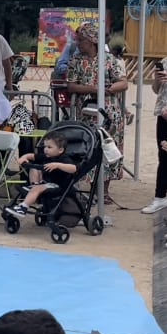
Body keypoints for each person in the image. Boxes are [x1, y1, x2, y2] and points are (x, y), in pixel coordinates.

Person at [66, 22, 127, 201]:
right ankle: (90, 187)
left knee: (108, 148)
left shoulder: (109, 60)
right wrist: (94, 89)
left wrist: (110, 88)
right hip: (86, 112)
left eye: (81, 40)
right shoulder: (75, 61)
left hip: (109, 112)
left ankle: (104, 191)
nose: (78, 43)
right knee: (89, 148)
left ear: (92, 41)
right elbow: (71, 86)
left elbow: (123, 82)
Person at [4, 131, 77, 219]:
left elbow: (74, 168)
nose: (45, 149)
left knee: (37, 188)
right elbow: (32, 155)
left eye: (49, 147)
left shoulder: (63, 158)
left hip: (59, 185)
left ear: (60, 150)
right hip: (46, 182)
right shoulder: (46, 156)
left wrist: (58, 165)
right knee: (34, 167)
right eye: (45, 146)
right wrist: (24, 157)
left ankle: (23, 207)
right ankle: (34, 185)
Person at [143, 62, 167, 214]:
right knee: (164, 155)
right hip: (163, 115)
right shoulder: (165, 61)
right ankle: (160, 197)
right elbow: (156, 90)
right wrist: (157, 80)